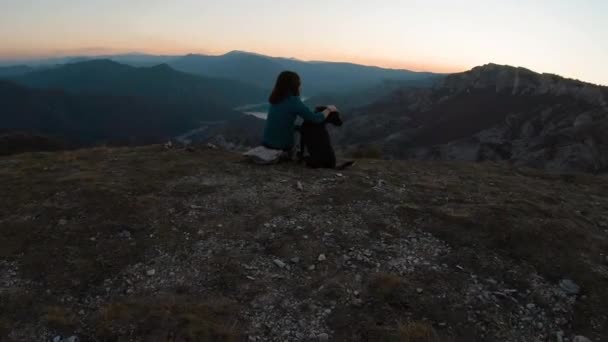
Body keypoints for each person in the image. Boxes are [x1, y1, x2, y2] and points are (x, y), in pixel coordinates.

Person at [262, 71, 337, 154]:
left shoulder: (276, 99)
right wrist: (329, 109)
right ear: (295, 85)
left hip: (266, 143)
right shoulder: (293, 101)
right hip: (281, 146)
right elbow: (315, 118)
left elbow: (280, 122)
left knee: (298, 129)